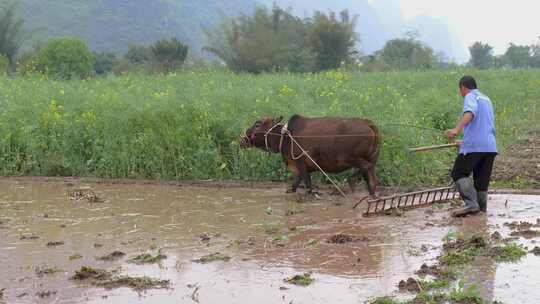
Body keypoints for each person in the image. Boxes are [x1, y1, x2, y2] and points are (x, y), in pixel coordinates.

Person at [445, 76, 497, 217]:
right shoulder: (487, 99)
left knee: (458, 172)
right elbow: (483, 125)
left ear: (463, 87)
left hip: (474, 146)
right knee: (481, 180)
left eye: (460, 90)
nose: (461, 93)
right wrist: (464, 140)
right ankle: (481, 210)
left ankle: (471, 204)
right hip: (490, 147)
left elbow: (470, 113)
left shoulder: (470, 96)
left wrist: (456, 130)